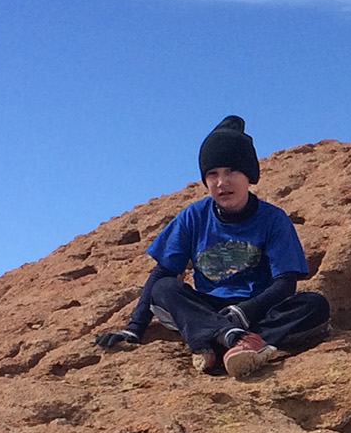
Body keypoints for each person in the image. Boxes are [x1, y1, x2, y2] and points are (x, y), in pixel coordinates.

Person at [95, 116, 330, 377]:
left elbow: (285, 283)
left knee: (314, 304)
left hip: (256, 309)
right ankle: (233, 339)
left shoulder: (273, 219)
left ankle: (218, 343)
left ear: (249, 176)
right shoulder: (193, 216)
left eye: (232, 172)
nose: (221, 182)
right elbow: (163, 272)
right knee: (164, 289)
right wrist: (134, 328)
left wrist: (243, 312)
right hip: (208, 310)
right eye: (212, 174)